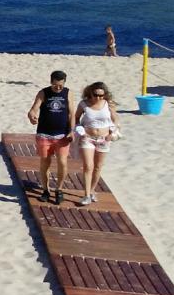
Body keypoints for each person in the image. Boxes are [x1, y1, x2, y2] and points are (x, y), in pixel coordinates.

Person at [26, 70, 72, 204]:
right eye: (56, 85)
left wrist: (72, 130)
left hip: (62, 135)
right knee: (45, 163)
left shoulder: (68, 93)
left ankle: (59, 189)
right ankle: (46, 190)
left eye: (61, 86)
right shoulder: (43, 92)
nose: (58, 88)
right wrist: (31, 115)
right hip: (44, 134)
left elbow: (71, 113)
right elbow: (34, 108)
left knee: (62, 162)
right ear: (51, 82)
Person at [73, 82, 120, 207]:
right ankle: (87, 195)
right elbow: (76, 118)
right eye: (95, 95)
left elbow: (115, 120)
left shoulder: (108, 104)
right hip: (87, 138)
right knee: (88, 166)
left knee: (98, 167)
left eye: (101, 95)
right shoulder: (84, 104)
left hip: (104, 139)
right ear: (90, 93)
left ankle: (93, 190)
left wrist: (113, 132)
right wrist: (80, 130)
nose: (98, 98)